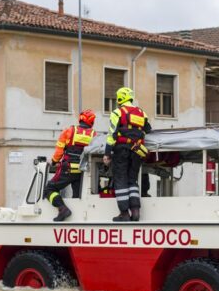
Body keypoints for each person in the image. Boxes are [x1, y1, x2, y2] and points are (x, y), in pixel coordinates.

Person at [102, 87, 152, 222]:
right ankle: (135, 212)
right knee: (132, 179)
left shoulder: (117, 112)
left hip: (121, 150)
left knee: (120, 179)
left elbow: (112, 134)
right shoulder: (142, 113)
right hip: (137, 150)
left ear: (119, 99)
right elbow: (148, 129)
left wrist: (107, 153)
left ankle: (124, 213)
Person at [44, 109, 96, 222]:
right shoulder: (94, 135)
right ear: (92, 122)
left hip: (68, 169)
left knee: (49, 189)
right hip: (83, 172)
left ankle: (62, 209)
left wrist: (53, 161)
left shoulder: (69, 131)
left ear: (80, 119)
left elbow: (58, 152)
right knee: (78, 196)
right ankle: (78, 219)